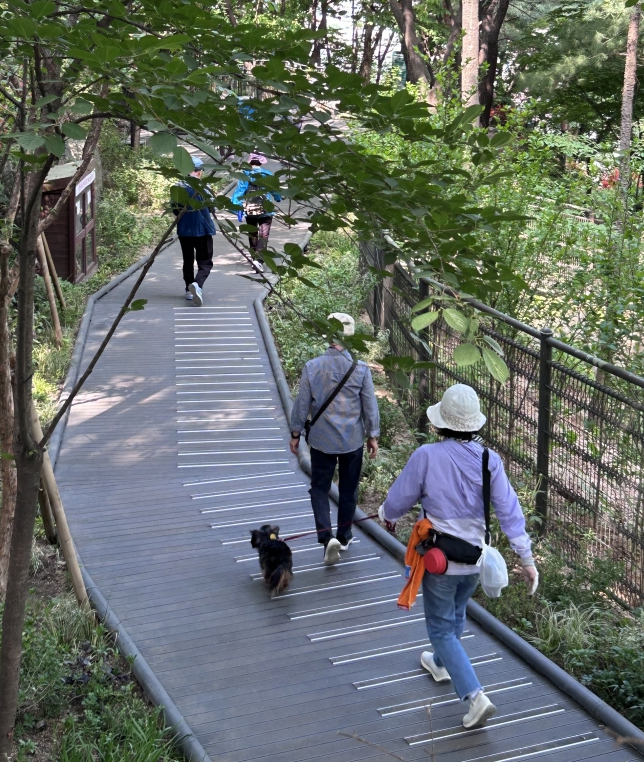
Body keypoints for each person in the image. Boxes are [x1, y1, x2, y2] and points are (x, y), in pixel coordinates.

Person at [378, 383, 539, 731]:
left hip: (440, 560)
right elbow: (509, 511)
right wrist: (526, 558)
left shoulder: (427, 456)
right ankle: (440, 663)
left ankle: (475, 696)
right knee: (456, 613)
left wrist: (386, 514)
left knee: (440, 628)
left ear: (441, 422)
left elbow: (399, 499)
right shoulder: (489, 460)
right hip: (475, 559)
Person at [289, 313, 380, 565]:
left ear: (327, 335)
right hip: (352, 441)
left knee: (319, 488)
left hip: (322, 440)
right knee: (349, 489)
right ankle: (344, 535)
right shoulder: (360, 368)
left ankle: (326, 536)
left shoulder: (312, 367)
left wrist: (296, 433)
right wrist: (373, 435)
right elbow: (370, 406)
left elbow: (302, 404)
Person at [172, 157, 216, 306]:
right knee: (206, 262)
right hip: (203, 230)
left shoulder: (178, 187)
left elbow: (175, 210)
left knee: (188, 260)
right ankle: (197, 284)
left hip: (184, 231)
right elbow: (212, 207)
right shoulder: (204, 187)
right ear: (199, 171)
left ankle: (188, 290)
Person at [230, 153, 282, 271]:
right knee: (264, 235)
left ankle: (254, 258)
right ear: (262, 162)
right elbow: (274, 191)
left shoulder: (245, 175)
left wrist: (237, 208)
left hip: (250, 210)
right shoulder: (268, 174)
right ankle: (259, 260)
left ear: (249, 162)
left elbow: (239, 192)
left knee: (252, 233)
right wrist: (278, 198)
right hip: (266, 210)